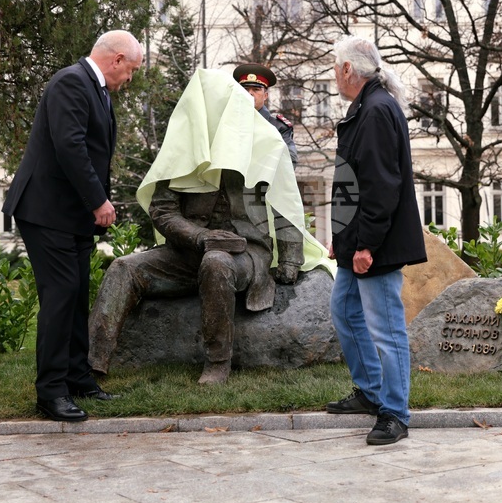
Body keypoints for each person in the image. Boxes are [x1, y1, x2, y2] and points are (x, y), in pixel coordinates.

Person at [88, 68, 328, 385]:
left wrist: (290, 260)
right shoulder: (186, 146)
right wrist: (199, 236)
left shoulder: (264, 141)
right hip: (187, 252)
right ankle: (91, 364)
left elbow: (285, 203)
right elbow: (162, 209)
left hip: (246, 252)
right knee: (123, 268)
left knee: (217, 263)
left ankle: (217, 363)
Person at [3, 30, 143, 422]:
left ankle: (78, 379)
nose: (129, 78)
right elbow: (70, 146)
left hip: (70, 214)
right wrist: (98, 200)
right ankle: (51, 392)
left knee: (77, 293)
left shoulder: (96, 89)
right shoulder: (71, 82)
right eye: (131, 70)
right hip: (46, 211)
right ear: (117, 60)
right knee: (61, 295)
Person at [325, 35, 426, 445]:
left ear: (349, 69)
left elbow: (382, 186)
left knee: (386, 328)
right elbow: (352, 182)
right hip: (358, 241)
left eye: (336, 67)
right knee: (345, 311)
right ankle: (370, 391)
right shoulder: (366, 107)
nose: (334, 74)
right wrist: (342, 238)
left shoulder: (377, 110)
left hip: (377, 245)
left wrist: (365, 245)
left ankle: (395, 413)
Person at [232, 62, 298, 167]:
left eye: (256, 89)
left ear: (265, 96)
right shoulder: (229, 122)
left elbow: (289, 161)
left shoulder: (279, 127)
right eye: (245, 89)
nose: (250, 93)